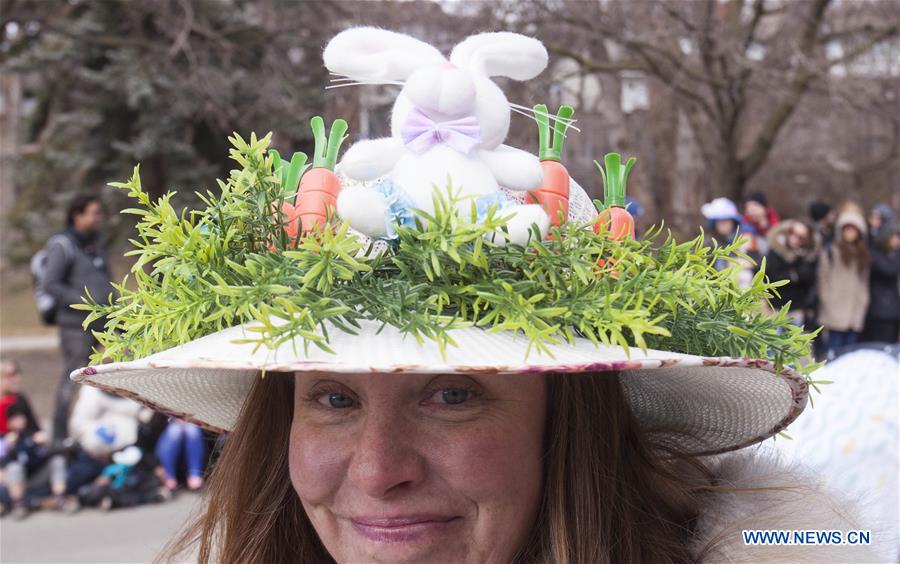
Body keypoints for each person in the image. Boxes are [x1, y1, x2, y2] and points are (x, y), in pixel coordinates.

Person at [45, 194, 115, 442]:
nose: (99, 217)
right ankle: (58, 438)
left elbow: (104, 278)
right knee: (72, 377)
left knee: (111, 371)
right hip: (76, 325)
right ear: (77, 215)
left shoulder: (97, 242)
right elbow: (51, 283)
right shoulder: (63, 244)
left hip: (104, 320)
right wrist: (83, 302)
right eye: (94, 213)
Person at [818, 206, 871, 358]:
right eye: (846, 229)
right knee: (833, 354)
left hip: (855, 311)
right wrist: (827, 300)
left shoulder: (862, 254)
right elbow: (823, 279)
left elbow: (864, 282)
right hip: (834, 310)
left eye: (853, 229)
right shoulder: (831, 251)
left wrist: (863, 302)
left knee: (850, 356)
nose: (849, 233)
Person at [764, 219, 820, 326]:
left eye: (800, 237)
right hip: (775, 307)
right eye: (792, 233)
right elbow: (772, 277)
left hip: (796, 308)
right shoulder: (776, 251)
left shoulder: (807, 257)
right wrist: (794, 276)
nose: (794, 238)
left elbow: (809, 280)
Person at [701, 197, 761, 287]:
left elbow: (758, 263)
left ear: (733, 222)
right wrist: (726, 264)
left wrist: (744, 263)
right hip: (717, 288)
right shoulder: (709, 243)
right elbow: (705, 269)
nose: (723, 223)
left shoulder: (745, 238)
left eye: (726, 220)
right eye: (719, 221)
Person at [862, 222, 900, 343]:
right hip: (880, 310)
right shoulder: (876, 254)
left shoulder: (894, 254)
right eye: (895, 237)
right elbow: (889, 270)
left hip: (894, 310)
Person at [155, 420, 206, 491]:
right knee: (174, 432)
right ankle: (169, 475)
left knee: (192, 431)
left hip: (193, 421)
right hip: (173, 421)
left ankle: (195, 474)